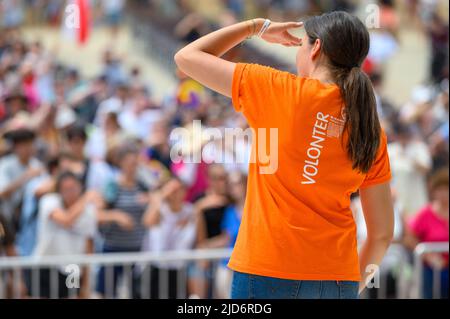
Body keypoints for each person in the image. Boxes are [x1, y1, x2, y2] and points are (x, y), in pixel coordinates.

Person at [175, 11, 395, 299]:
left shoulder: (277, 89)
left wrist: (256, 27)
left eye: (303, 44)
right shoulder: (369, 128)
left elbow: (187, 57)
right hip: (336, 277)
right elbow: (381, 235)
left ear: (315, 48)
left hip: (266, 269)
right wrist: (352, 285)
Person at [33, 171, 99, 298]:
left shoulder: (89, 211)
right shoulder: (49, 201)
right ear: (59, 191)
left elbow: (89, 247)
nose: (71, 192)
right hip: (47, 264)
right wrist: (85, 199)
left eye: (74, 188)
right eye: (66, 189)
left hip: (74, 269)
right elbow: (66, 220)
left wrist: (86, 284)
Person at [96, 143, 149, 298]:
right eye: (131, 162)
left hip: (137, 249)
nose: (134, 166)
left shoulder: (142, 185)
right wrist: (116, 216)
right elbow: (98, 214)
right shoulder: (112, 186)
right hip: (113, 249)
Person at [140, 177, 196, 299]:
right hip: (156, 270)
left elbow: (200, 242)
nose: (175, 193)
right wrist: (162, 195)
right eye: (172, 190)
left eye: (179, 189)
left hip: (181, 271)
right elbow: (147, 222)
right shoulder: (160, 210)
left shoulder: (192, 212)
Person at [404, 168, 449, 299]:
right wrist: (429, 256)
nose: (444, 194)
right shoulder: (425, 213)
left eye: (446, 189)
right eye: (440, 189)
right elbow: (409, 238)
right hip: (431, 271)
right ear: (434, 192)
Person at [0, 129, 43, 232]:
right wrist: (26, 177)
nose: (27, 148)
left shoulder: (37, 165)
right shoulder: (6, 164)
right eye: (23, 145)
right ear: (15, 147)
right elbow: (2, 193)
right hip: (8, 217)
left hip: (30, 218)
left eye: (30, 144)